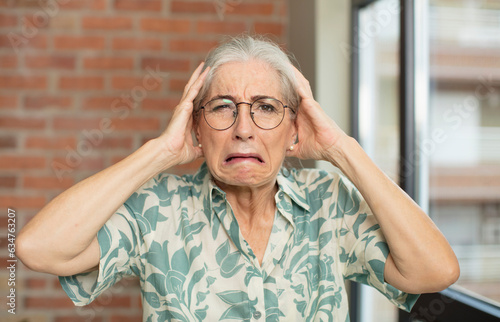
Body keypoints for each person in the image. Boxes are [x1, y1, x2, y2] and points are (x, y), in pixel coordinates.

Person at [16, 35, 459, 321]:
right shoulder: (158, 207)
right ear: (197, 128)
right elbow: (39, 247)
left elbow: (435, 271)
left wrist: (342, 148)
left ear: (294, 130)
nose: (243, 128)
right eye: (223, 107)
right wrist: (160, 153)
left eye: (266, 107)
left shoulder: (328, 202)